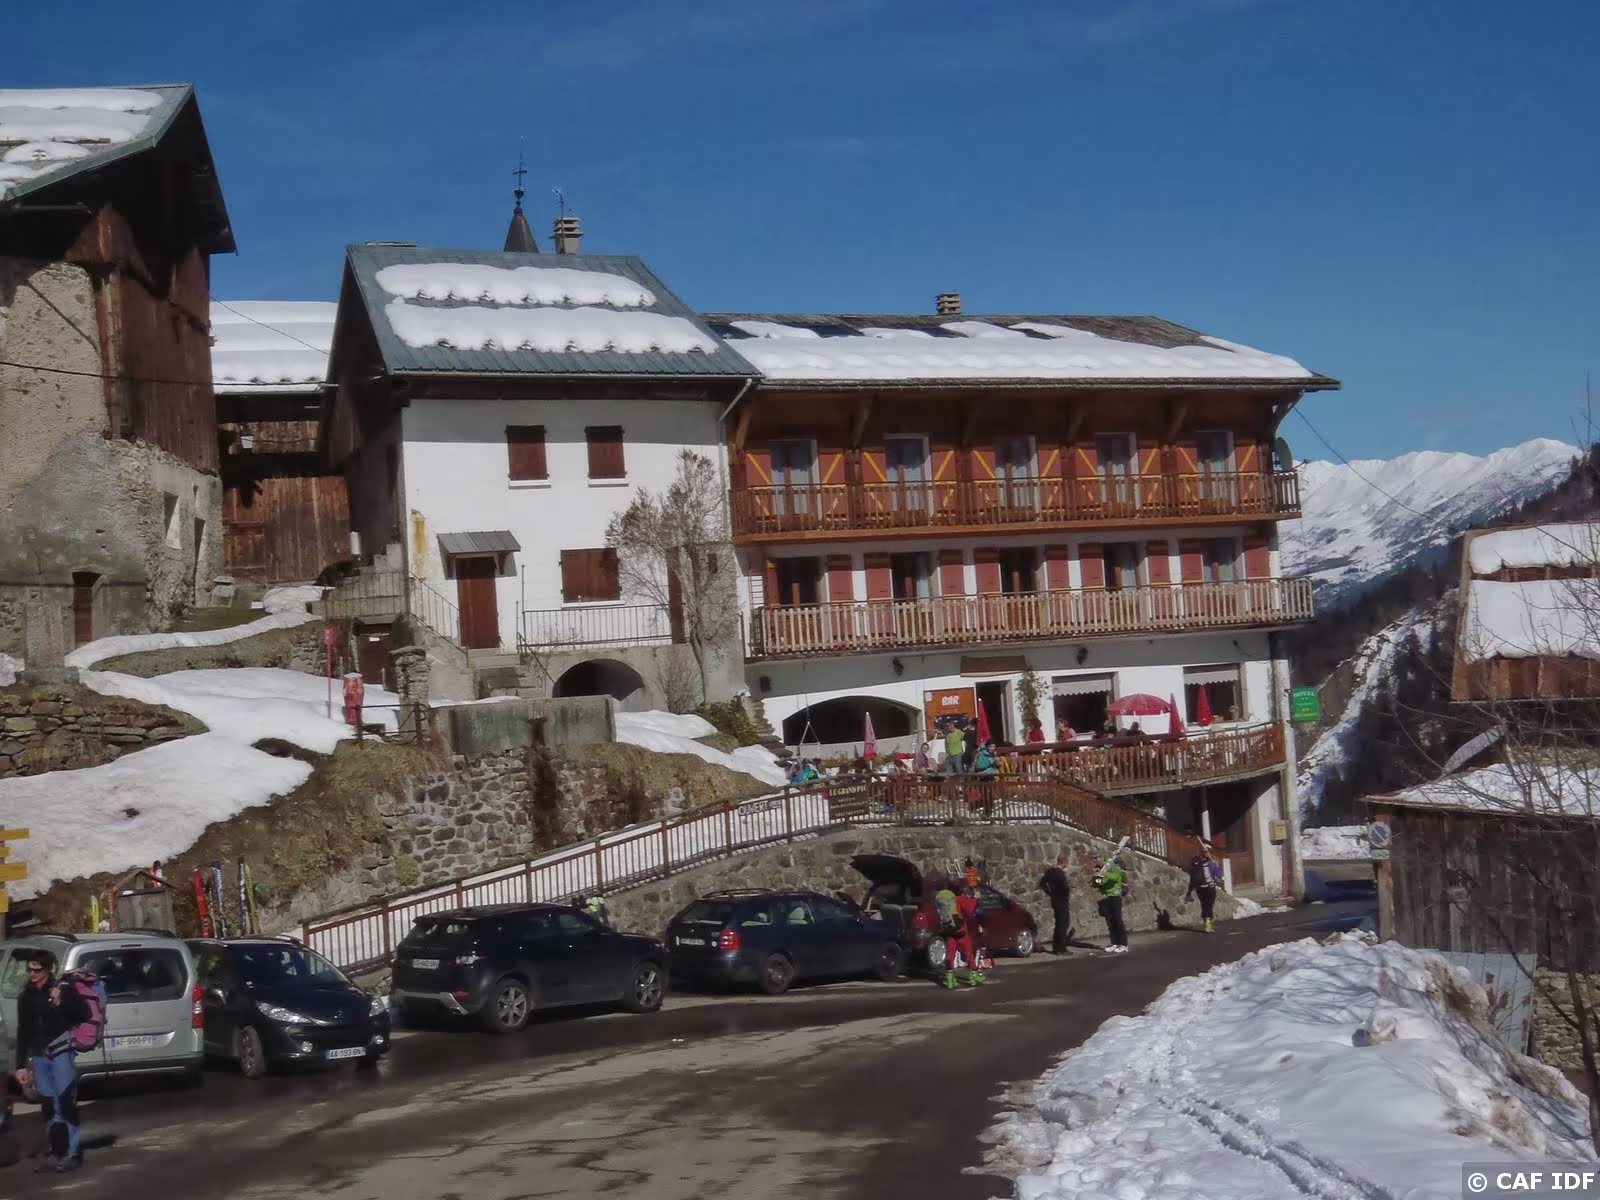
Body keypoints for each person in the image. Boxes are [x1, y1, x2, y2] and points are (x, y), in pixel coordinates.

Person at [14, 952, 89, 1173]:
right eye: (29, 969)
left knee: (65, 1102)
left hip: (61, 1052)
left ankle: (73, 1153)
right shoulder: (25, 996)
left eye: (37, 970)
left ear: (48, 970)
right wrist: (20, 1065)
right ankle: (55, 1151)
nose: (32, 974)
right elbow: (23, 1031)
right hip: (39, 1055)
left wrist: (59, 1003)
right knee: (49, 1105)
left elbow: (83, 1014)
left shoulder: (62, 989)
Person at [1091, 854, 1129, 953]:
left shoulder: (1111, 866)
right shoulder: (1099, 868)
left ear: (1102, 857)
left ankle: (1123, 944)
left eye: (1097, 858)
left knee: (1117, 920)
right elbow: (1100, 883)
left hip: (1115, 896)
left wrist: (1104, 873)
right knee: (1110, 921)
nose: (1095, 860)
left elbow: (1116, 877)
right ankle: (1114, 943)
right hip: (1107, 897)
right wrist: (1096, 878)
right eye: (1093, 858)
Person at [1185, 842, 1223, 933]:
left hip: (1200, 889)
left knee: (1204, 905)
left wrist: (1189, 892)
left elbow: (1192, 880)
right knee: (1209, 906)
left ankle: (1206, 920)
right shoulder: (1211, 864)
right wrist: (1217, 867)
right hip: (1210, 888)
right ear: (1207, 853)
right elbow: (1219, 874)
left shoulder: (1196, 864)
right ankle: (1208, 924)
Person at [1039, 853, 1072, 955]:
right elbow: (1065, 887)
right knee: (1064, 924)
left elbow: (1042, 883)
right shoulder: (1060, 874)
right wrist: (1068, 891)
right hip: (1062, 900)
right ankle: (1061, 948)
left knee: (1059, 923)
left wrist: (1049, 892)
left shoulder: (1050, 872)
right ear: (1064, 862)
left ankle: (1056, 947)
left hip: (1055, 899)